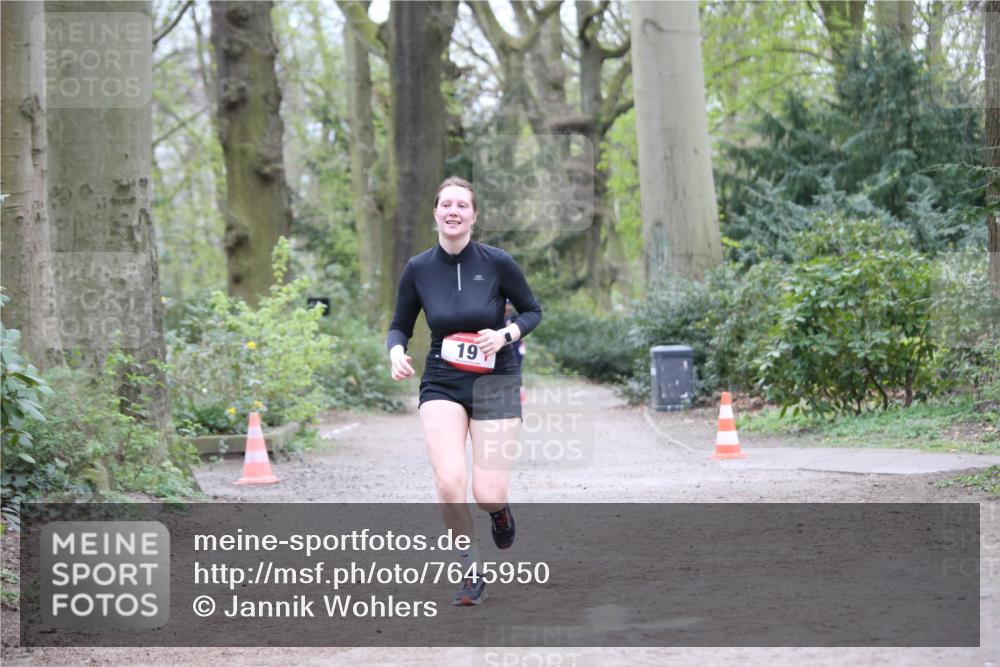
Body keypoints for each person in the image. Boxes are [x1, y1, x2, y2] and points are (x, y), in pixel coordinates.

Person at [387, 176, 542, 606]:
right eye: (446, 205)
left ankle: (500, 511)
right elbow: (400, 323)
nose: (453, 211)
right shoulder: (418, 268)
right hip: (442, 378)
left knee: (486, 492)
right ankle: (470, 569)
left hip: (496, 378)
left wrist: (506, 334)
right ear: (435, 212)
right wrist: (396, 351)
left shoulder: (497, 262)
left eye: (462, 205)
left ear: (473, 215)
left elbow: (532, 310)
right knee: (449, 485)